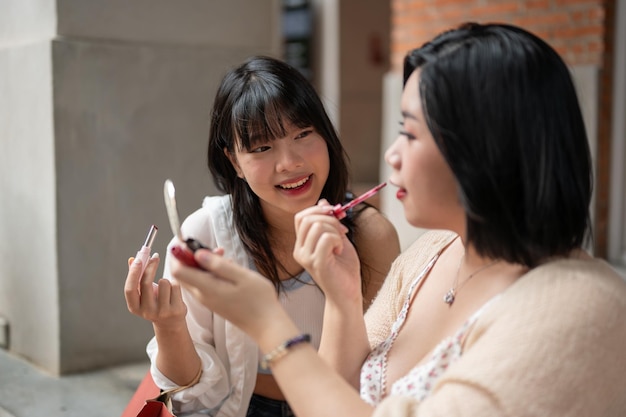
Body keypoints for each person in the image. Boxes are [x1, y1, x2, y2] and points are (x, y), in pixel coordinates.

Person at [165, 22, 626, 417]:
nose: (391, 154)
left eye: (409, 132)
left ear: (486, 148)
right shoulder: (431, 252)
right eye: (262, 147)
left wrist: (270, 325)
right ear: (233, 162)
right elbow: (336, 396)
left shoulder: (579, 307)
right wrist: (343, 298)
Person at [124, 56, 400, 417]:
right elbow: (191, 399)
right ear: (234, 161)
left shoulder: (369, 236)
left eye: (303, 134)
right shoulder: (204, 234)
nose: (289, 162)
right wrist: (168, 324)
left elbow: (378, 371)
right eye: (261, 148)